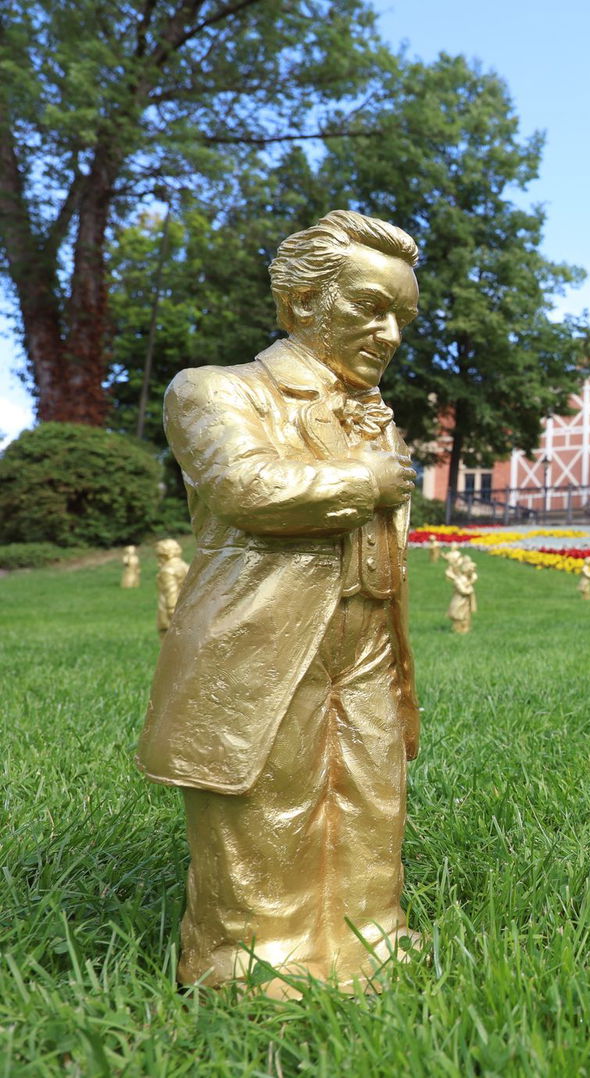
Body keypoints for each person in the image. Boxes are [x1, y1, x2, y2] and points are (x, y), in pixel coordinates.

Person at [137, 210, 423, 995]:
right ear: (301, 303)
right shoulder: (216, 392)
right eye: (370, 306)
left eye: (403, 316)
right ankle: (255, 957)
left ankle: (371, 934)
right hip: (265, 640)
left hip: (364, 643)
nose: (390, 332)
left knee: (370, 795)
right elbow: (245, 486)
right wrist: (367, 481)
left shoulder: (374, 414)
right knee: (268, 800)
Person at [154, 539, 189, 634]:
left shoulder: (167, 571)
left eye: (159, 556)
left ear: (164, 554)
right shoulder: (186, 567)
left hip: (170, 617)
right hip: (187, 611)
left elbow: (171, 594)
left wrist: (172, 615)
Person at [446, 554, 476, 633]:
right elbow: (463, 591)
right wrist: (470, 586)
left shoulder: (466, 579)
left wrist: (470, 582)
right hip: (459, 602)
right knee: (459, 617)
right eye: (472, 570)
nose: (473, 572)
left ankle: (465, 629)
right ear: (467, 570)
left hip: (466, 603)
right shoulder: (458, 580)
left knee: (466, 616)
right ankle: (458, 630)